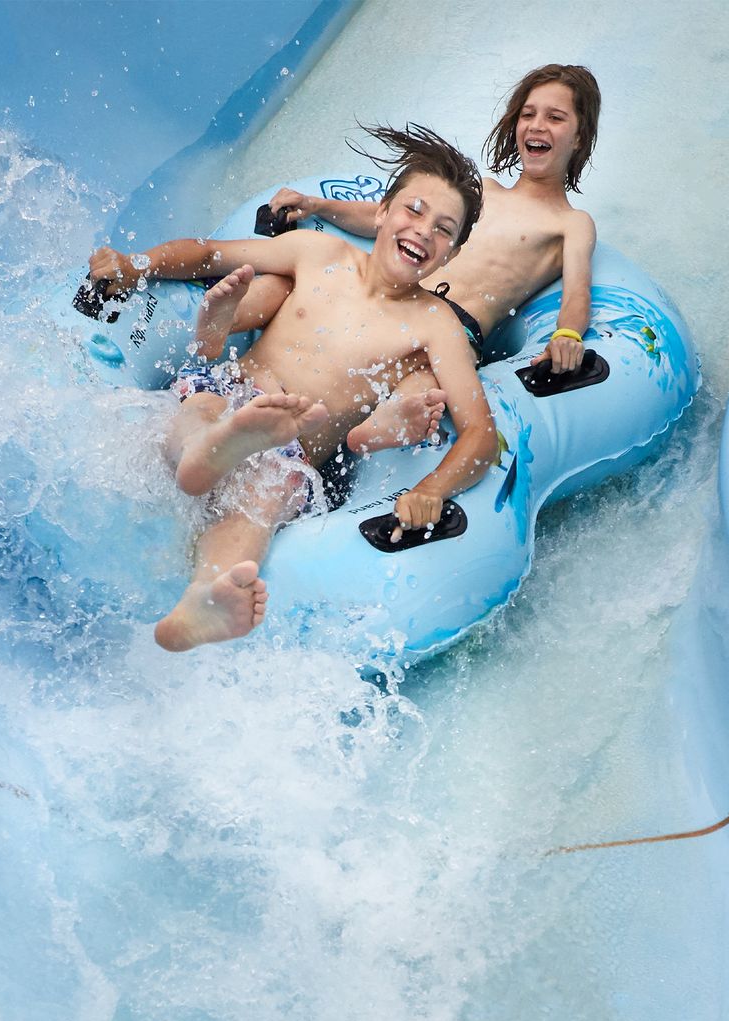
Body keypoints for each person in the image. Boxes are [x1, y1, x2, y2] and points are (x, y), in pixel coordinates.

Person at [86, 125, 499, 651]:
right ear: (381, 212)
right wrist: (135, 264)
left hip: (291, 444)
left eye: (444, 229)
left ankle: (204, 599)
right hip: (230, 393)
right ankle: (207, 450)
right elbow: (209, 255)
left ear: (452, 254)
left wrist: (429, 490)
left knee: (264, 495)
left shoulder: (435, 325)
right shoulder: (319, 255)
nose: (423, 231)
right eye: (414, 210)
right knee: (204, 409)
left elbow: (480, 435)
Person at [261, 64, 604, 450]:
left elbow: (577, 290)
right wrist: (317, 205)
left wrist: (567, 334)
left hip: (452, 329)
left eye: (555, 118)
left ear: (579, 138)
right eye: (528, 114)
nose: (537, 125)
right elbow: (387, 219)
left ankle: (373, 433)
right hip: (400, 300)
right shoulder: (482, 193)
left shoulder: (571, 222)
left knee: (422, 388)